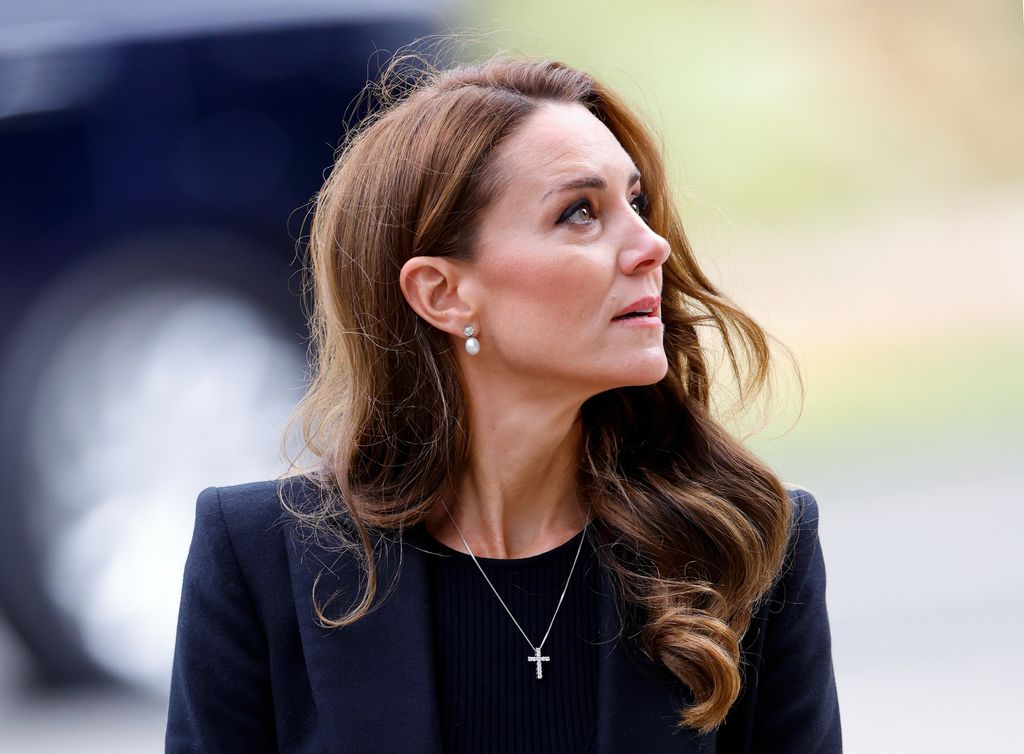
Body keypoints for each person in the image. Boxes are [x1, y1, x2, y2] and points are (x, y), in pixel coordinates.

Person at [165, 48, 842, 754]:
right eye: (580, 212)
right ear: (443, 294)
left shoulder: (745, 543)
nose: (651, 247)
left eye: (634, 203)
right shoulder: (258, 561)